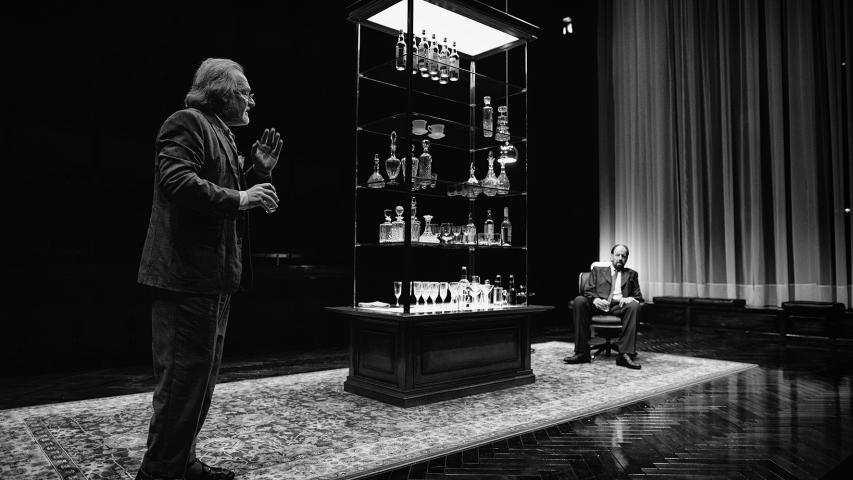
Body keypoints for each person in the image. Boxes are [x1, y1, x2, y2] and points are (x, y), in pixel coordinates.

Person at [136, 58, 283, 480]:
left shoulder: (219, 131)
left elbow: (222, 192)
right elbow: (177, 182)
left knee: (198, 383)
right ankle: (158, 474)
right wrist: (243, 197)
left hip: (213, 278)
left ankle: (182, 464)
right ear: (221, 93)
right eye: (245, 92)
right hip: (184, 277)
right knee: (180, 384)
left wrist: (257, 172)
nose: (252, 100)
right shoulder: (187, 122)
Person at [563, 244, 643, 369]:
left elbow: (638, 297)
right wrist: (595, 300)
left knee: (634, 306)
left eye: (623, 256)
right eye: (617, 255)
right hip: (598, 306)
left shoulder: (632, 274)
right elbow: (587, 291)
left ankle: (624, 355)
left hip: (618, 306)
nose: (620, 258)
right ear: (611, 256)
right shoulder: (597, 271)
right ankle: (582, 353)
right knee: (579, 300)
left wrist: (629, 299)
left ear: (627, 258)